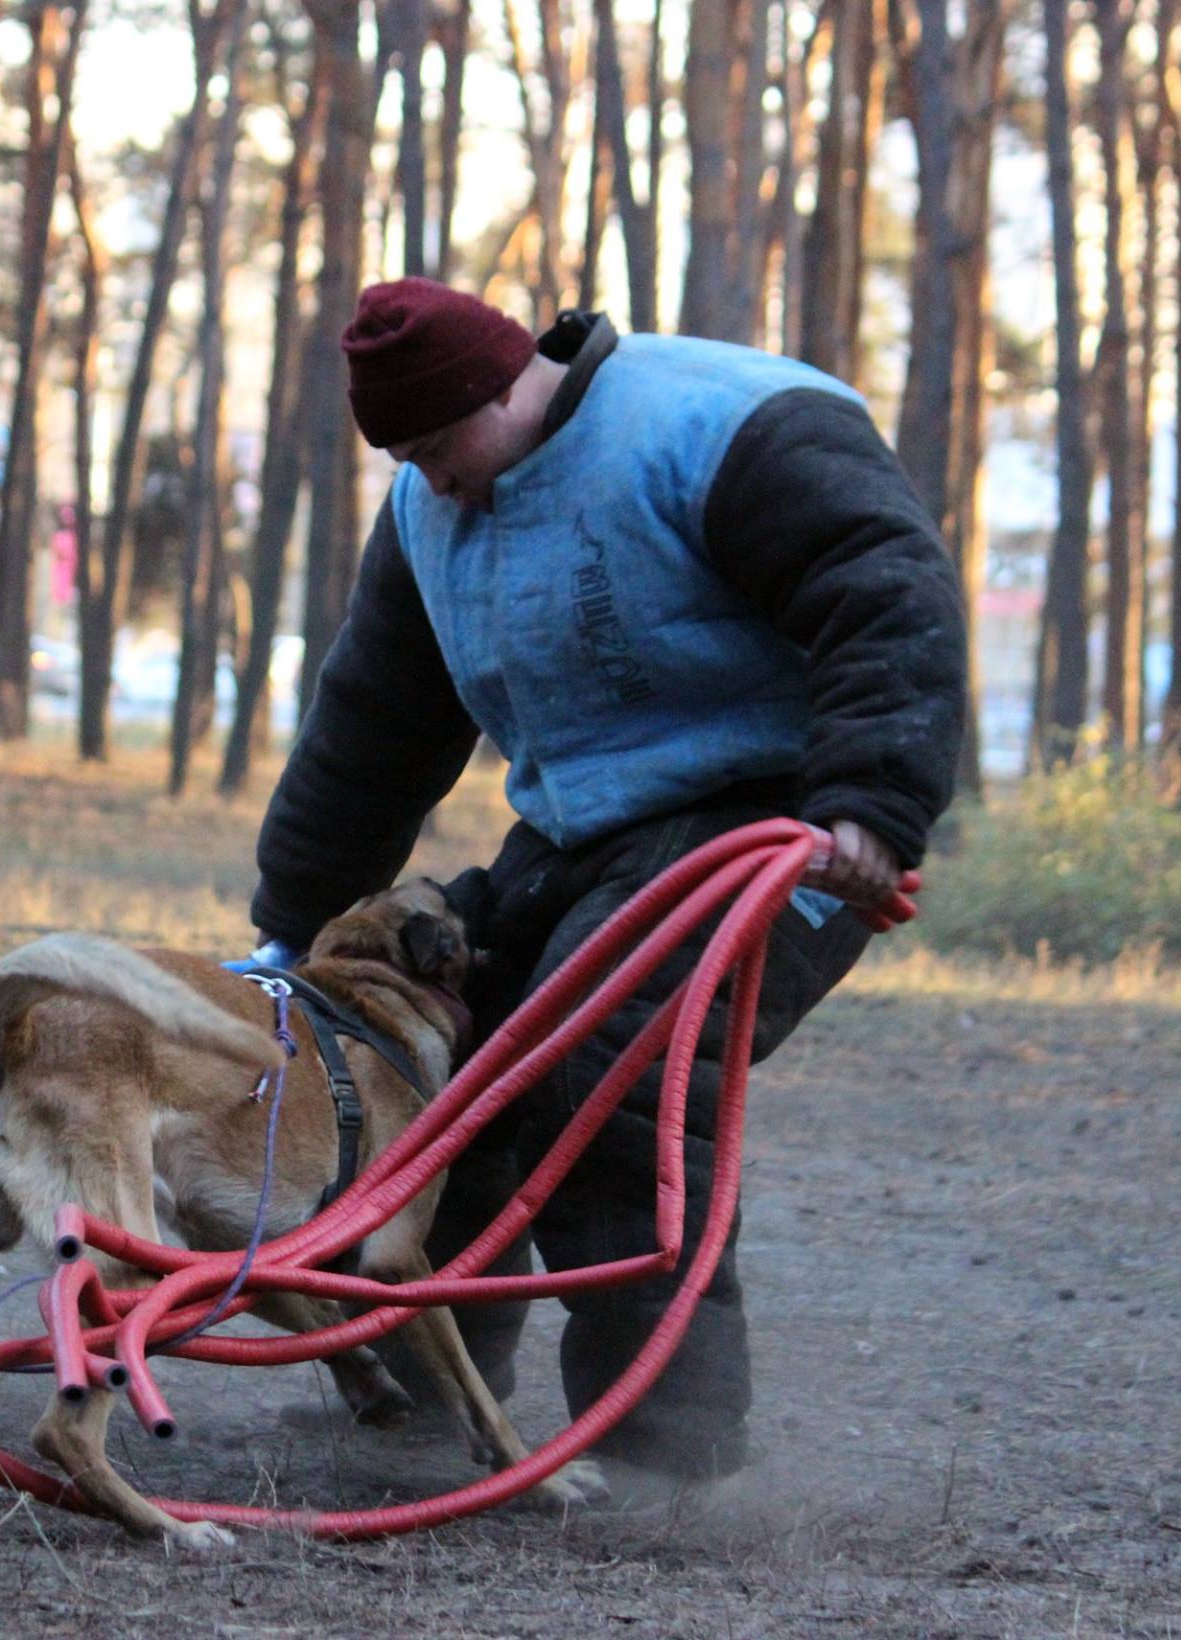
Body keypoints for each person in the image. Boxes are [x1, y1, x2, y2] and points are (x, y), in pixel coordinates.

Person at [249, 279, 967, 1487]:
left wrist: (870, 803)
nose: (431, 480)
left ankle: (661, 1459)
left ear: (497, 388)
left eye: (435, 449)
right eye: (408, 460)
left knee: (612, 1083)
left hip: (778, 822)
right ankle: (425, 1410)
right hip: (588, 832)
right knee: (425, 1065)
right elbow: (374, 724)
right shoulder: (430, 510)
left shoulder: (724, 425)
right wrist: (292, 922)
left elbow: (885, 591)